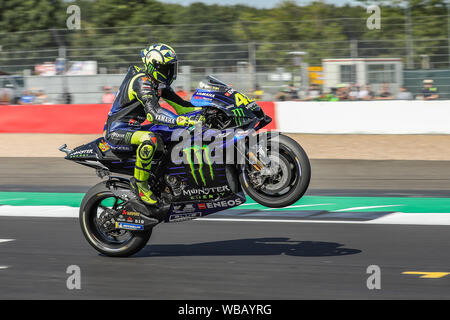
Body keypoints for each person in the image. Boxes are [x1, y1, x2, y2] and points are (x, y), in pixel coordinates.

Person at [104, 43, 202, 206]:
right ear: (154, 66)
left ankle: (167, 179)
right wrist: (180, 120)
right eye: (166, 68)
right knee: (151, 139)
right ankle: (140, 185)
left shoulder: (159, 84)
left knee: (176, 133)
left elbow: (182, 107)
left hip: (134, 128)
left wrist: (208, 110)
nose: (170, 72)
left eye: (172, 67)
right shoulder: (142, 81)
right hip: (117, 131)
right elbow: (154, 113)